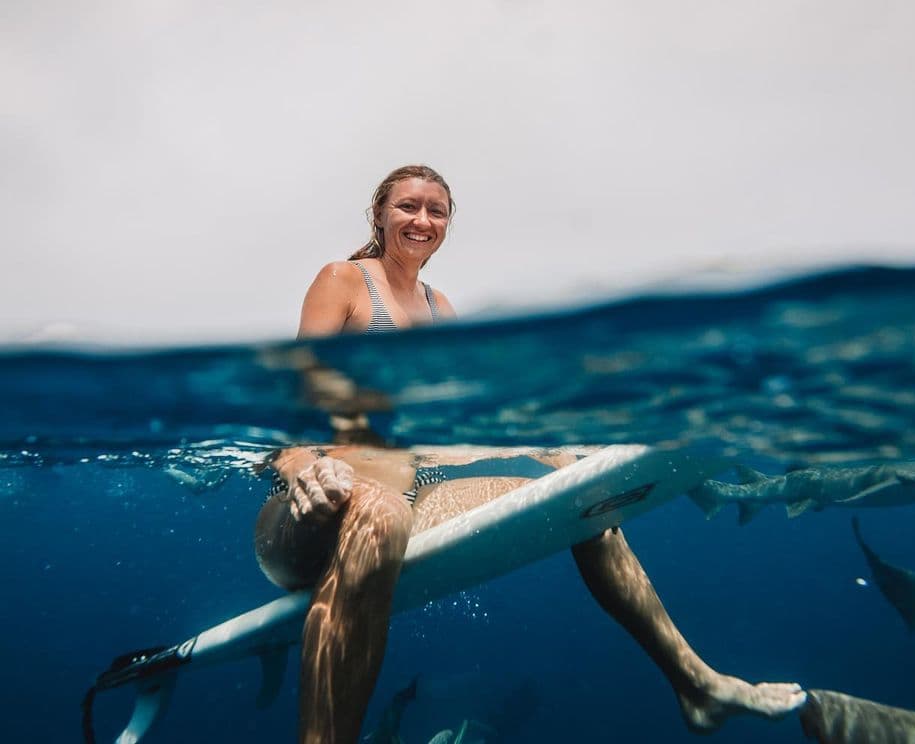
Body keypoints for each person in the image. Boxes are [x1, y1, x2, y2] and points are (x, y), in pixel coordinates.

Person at [255, 164, 805, 743]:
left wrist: (551, 449)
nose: (422, 220)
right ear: (379, 214)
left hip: (405, 498)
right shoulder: (343, 280)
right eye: (407, 207)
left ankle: (698, 685)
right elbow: (289, 411)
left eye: (436, 211)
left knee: (580, 499)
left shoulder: (441, 309)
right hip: (305, 512)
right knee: (380, 513)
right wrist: (304, 470)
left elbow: (456, 425)